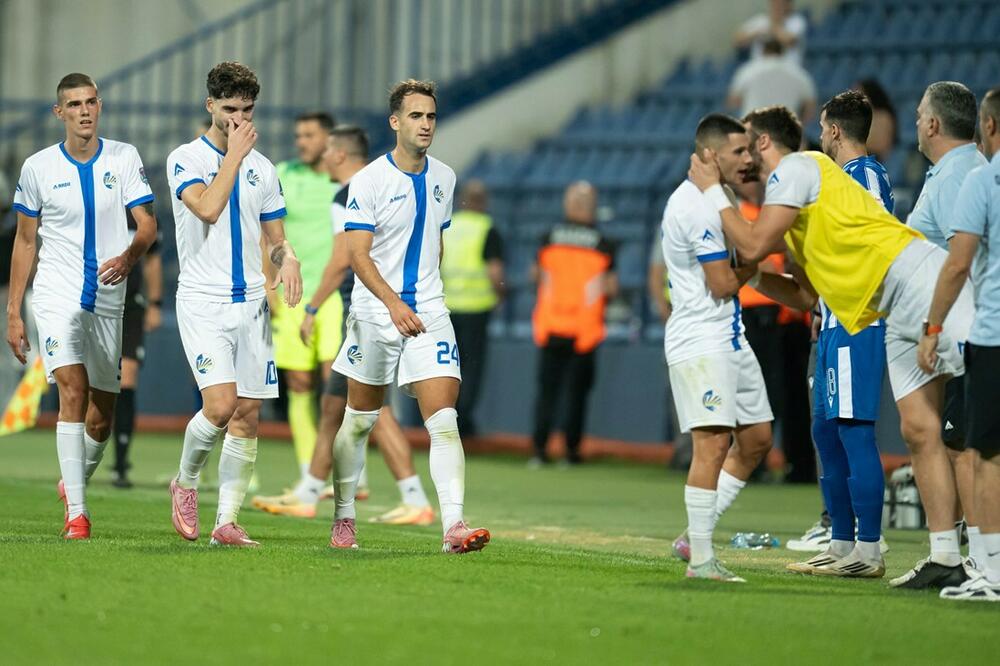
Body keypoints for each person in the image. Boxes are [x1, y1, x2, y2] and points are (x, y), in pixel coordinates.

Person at [686, 104, 975, 591]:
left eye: (742, 145)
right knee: (920, 431)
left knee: (969, 430)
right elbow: (803, 295)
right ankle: (944, 555)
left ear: (761, 144)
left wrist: (712, 191)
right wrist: (750, 275)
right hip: (884, 307)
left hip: (917, 281)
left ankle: (980, 557)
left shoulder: (800, 167)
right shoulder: (796, 212)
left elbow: (754, 241)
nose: (736, 156)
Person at [327, 79, 489, 553]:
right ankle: (343, 516)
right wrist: (393, 303)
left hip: (428, 312)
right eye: (416, 116)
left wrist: (421, 301)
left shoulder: (446, 177)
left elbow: (435, 244)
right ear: (395, 122)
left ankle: (453, 527)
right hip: (376, 313)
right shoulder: (370, 181)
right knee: (358, 420)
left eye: (431, 116)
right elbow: (358, 254)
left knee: (443, 420)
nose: (426, 125)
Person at [252, 124, 435, 526]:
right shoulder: (392, 183)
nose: (324, 157)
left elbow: (342, 258)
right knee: (333, 405)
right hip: (396, 305)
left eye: (329, 150)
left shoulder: (349, 193)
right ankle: (308, 491)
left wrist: (313, 308)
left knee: (373, 408)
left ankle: (415, 498)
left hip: (368, 312)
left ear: (338, 155)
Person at [7, 72, 157, 539]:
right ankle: (78, 513)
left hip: (110, 295)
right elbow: (25, 241)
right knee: (70, 390)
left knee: (101, 413)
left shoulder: (124, 157)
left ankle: (73, 479)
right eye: (74, 104)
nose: (85, 111)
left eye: (91, 102)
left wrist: (130, 256)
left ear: (100, 106)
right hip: (55, 294)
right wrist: (14, 311)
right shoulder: (37, 168)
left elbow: (147, 226)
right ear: (60, 113)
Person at [165, 61, 302, 547]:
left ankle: (226, 521)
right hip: (203, 302)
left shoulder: (263, 168)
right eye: (229, 109)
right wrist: (233, 159)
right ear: (210, 106)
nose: (238, 119)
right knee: (220, 406)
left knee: (247, 415)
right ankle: (184, 482)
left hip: (251, 307)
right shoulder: (185, 158)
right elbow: (206, 208)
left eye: (246, 110)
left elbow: (275, 239)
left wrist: (288, 261)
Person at [662, 114, 790, 582]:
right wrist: (757, 256)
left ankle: (693, 535)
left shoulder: (722, 199)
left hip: (730, 336)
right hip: (701, 340)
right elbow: (719, 283)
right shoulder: (694, 206)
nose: (749, 158)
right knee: (713, 444)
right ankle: (701, 560)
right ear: (711, 155)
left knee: (756, 439)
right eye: (739, 151)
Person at [786, 91, 894, 577]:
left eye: (823, 128)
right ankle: (842, 540)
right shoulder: (841, 178)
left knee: (853, 431)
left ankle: (868, 549)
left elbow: (871, 242)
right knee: (825, 431)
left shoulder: (864, 175)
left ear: (833, 131)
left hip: (857, 320)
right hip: (831, 321)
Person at [922, 88, 1000, 601]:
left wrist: (932, 328)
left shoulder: (981, 178)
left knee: (985, 452)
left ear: (989, 127)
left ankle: (990, 571)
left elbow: (957, 263)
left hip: (989, 332)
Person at [905, 81, 986, 575]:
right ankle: (963, 558)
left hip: (966, 329)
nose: (916, 122)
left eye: (919, 115)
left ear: (934, 124)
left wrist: (935, 325)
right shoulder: (955, 171)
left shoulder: (959, 175)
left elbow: (964, 257)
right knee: (958, 445)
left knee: (963, 448)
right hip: (965, 327)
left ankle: (980, 562)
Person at [269, 111, 341, 488]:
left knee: (335, 384)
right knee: (298, 383)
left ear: (328, 139)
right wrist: (271, 285)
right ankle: (309, 472)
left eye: (309, 135)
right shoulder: (283, 173)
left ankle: (342, 468)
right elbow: (265, 232)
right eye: (298, 135)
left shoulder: (340, 181)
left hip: (332, 296)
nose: (302, 142)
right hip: (292, 295)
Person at [530, 181, 616, 466]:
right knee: (575, 395)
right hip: (585, 330)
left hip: (550, 324)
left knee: (547, 392)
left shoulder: (548, 237)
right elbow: (611, 287)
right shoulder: (603, 243)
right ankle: (571, 451)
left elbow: (535, 276)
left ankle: (539, 451)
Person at [440, 179, 504, 437]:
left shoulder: (448, 226)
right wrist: (500, 293)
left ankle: (441, 415)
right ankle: (462, 421)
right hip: (476, 308)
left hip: (446, 307)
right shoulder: (487, 228)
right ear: (485, 202)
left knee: (446, 366)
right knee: (471, 368)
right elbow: (495, 270)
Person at [110, 211, 163, 488]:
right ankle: (82, 456)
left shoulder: (142, 210)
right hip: (94, 302)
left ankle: (120, 463)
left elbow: (152, 259)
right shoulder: (92, 196)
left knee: (127, 379)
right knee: (88, 382)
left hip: (131, 307)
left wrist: (155, 303)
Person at [647, 244, 692, 470]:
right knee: (680, 387)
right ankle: (686, 452)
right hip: (680, 313)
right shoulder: (668, 225)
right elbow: (656, 273)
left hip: (707, 312)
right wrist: (666, 314)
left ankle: (710, 452)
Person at [728, 38, 817, 124]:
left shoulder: (748, 70)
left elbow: (733, 102)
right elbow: (810, 108)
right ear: (783, 52)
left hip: (753, 127)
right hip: (785, 129)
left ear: (763, 51)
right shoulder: (799, 73)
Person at [733, 0, 809, 64]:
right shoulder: (760, 20)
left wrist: (773, 27)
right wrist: (757, 33)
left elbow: (790, 41)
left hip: (788, 72)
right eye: (774, 3)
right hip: (759, 72)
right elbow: (738, 40)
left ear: (788, 5)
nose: (777, 6)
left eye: (780, 3)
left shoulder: (796, 21)